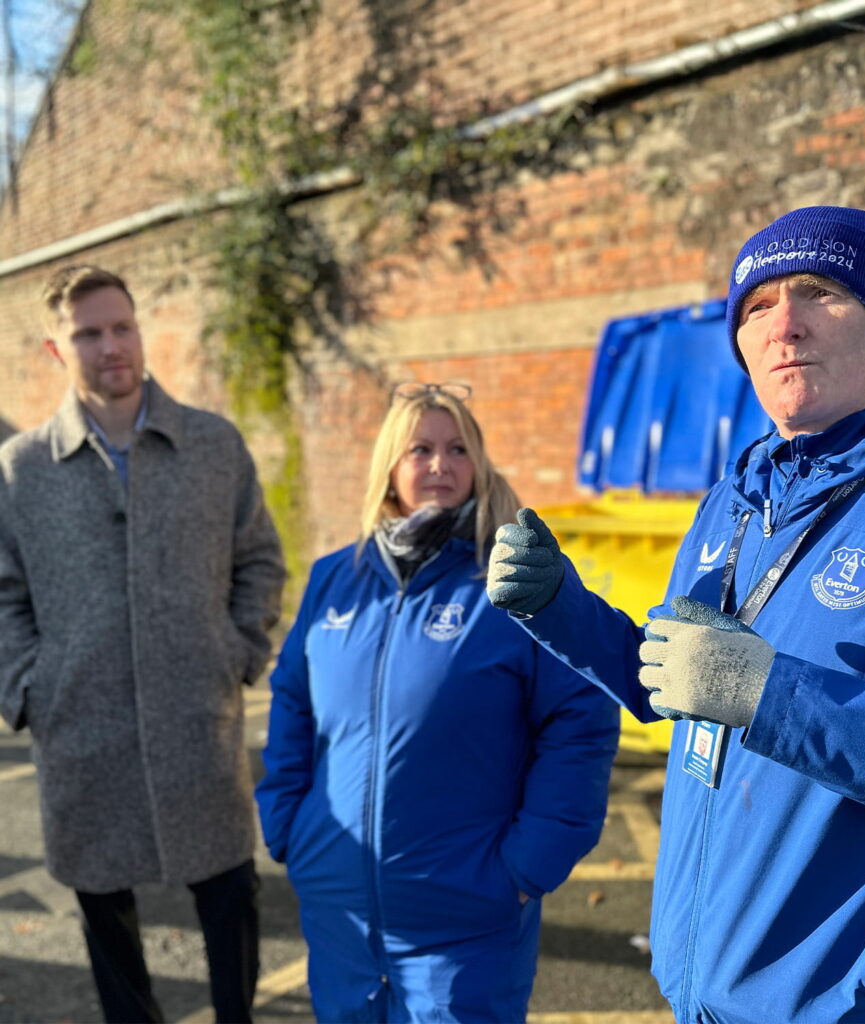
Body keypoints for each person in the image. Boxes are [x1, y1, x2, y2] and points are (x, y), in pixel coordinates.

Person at [487, 206, 865, 1023]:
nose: (786, 326)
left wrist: (772, 696)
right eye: (757, 307)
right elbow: (674, 686)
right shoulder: (737, 496)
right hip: (698, 992)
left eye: (819, 291)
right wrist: (558, 607)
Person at [255, 381, 619, 1023]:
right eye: (420, 449)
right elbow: (291, 700)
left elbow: (580, 716)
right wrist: (289, 826)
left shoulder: (513, 579)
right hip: (339, 911)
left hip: (468, 921)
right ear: (390, 467)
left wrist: (528, 865)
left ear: (477, 463)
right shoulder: (335, 578)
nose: (439, 465)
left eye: (457, 449)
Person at [0, 265, 286, 1024]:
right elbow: (2, 592)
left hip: (198, 717)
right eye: (88, 333)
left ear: (139, 330)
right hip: (82, 730)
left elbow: (259, 558)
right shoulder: (22, 469)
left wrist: (238, 652)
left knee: (229, 893)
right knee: (104, 911)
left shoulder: (213, 446)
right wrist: (30, 686)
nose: (110, 346)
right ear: (56, 349)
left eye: (121, 326)